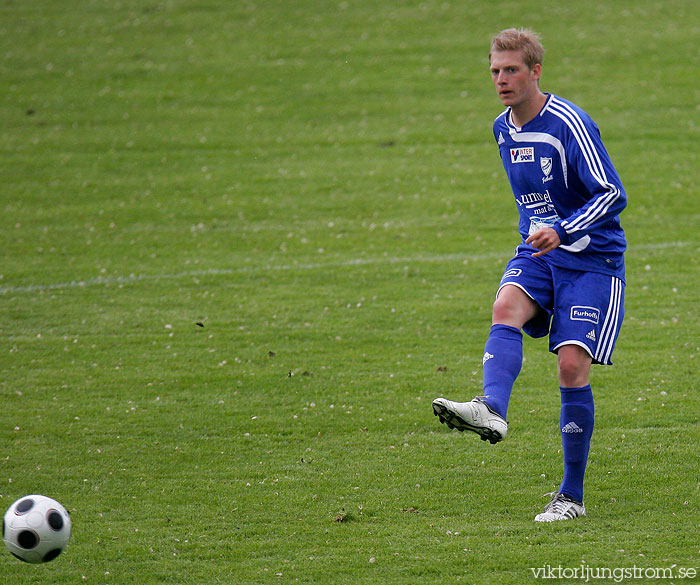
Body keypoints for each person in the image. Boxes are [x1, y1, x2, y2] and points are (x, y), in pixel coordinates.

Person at [432, 28, 627, 522]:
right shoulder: (503, 128)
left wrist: (561, 230)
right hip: (541, 252)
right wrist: (537, 238)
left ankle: (571, 497)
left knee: (570, 368)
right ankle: (491, 408)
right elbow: (529, 200)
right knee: (505, 306)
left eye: (512, 69)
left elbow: (611, 194)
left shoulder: (569, 122)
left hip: (592, 259)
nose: (502, 79)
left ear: (535, 71)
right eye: (495, 71)